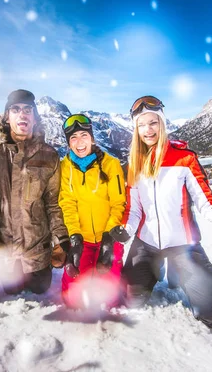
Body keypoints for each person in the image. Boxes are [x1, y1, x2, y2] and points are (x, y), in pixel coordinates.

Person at [117, 96, 212, 330]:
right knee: (130, 302)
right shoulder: (133, 164)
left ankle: (176, 267)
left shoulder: (185, 159)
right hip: (146, 244)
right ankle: (155, 267)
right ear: (135, 129)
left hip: (183, 246)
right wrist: (125, 230)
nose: (148, 130)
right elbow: (134, 209)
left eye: (153, 123)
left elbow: (207, 204)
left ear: (162, 123)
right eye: (141, 125)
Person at [0, 89, 69, 295]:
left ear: (34, 118)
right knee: (11, 289)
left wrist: (60, 240)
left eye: (28, 110)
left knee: (40, 288)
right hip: (5, 248)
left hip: (37, 248)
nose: (22, 114)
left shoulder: (49, 156)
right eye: (15, 110)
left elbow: (53, 203)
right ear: (7, 117)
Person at [58, 114, 126, 309]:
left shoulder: (110, 164)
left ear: (92, 138)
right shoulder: (64, 168)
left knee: (108, 299)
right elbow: (67, 203)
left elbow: (118, 203)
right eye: (73, 138)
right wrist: (75, 237)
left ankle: (113, 268)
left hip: (108, 238)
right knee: (72, 299)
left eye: (83, 135)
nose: (80, 142)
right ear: (68, 143)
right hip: (83, 239)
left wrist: (109, 237)